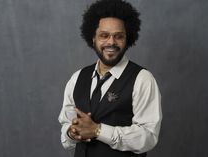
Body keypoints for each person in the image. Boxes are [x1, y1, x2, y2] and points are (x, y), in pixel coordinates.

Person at [58, 0, 162, 156]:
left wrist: (98, 130)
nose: (111, 42)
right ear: (93, 38)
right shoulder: (77, 78)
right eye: (104, 35)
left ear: (128, 39)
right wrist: (72, 132)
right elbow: (66, 127)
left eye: (118, 36)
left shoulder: (143, 79)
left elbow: (148, 137)